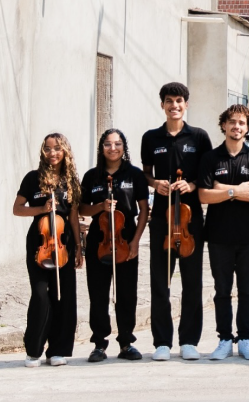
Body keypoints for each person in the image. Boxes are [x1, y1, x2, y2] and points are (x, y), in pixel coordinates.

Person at [140, 81, 213, 362]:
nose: (174, 106)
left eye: (179, 101)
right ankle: (161, 341)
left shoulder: (199, 136)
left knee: (192, 281)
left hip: (191, 218)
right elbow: (144, 174)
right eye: (169, 101)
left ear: (186, 104)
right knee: (161, 280)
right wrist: (155, 183)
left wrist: (192, 186)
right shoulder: (151, 138)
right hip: (161, 217)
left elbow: (207, 175)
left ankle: (189, 341)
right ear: (162, 105)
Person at [198, 104, 249, 360]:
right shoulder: (210, 158)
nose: (236, 127)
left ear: (247, 128)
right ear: (223, 125)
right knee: (222, 290)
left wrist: (222, 189)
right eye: (232, 122)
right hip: (218, 236)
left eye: (241, 123)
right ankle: (225, 339)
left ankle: (246, 338)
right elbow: (204, 195)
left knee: (247, 289)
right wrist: (236, 191)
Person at [13, 133, 83, 368]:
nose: (52, 153)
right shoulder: (32, 179)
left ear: (65, 152)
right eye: (48, 149)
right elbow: (17, 209)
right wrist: (41, 208)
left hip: (64, 242)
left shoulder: (70, 180)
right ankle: (33, 350)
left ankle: (58, 350)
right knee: (41, 295)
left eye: (57, 148)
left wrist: (78, 247)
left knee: (64, 297)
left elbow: (73, 217)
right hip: (39, 243)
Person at [79, 129, 150, 362]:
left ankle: (127, 342)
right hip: (98, 244)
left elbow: (143, 211)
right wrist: (100, 206)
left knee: (126, 294)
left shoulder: (135, 175)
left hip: (125, 241)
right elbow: (82, 209)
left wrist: (135, 242)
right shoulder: (91, 176)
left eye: (117, 144)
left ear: (123, 147)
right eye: (108, 144)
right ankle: (99, 344)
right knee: (98, 294)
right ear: (102, 148)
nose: (113, 148)